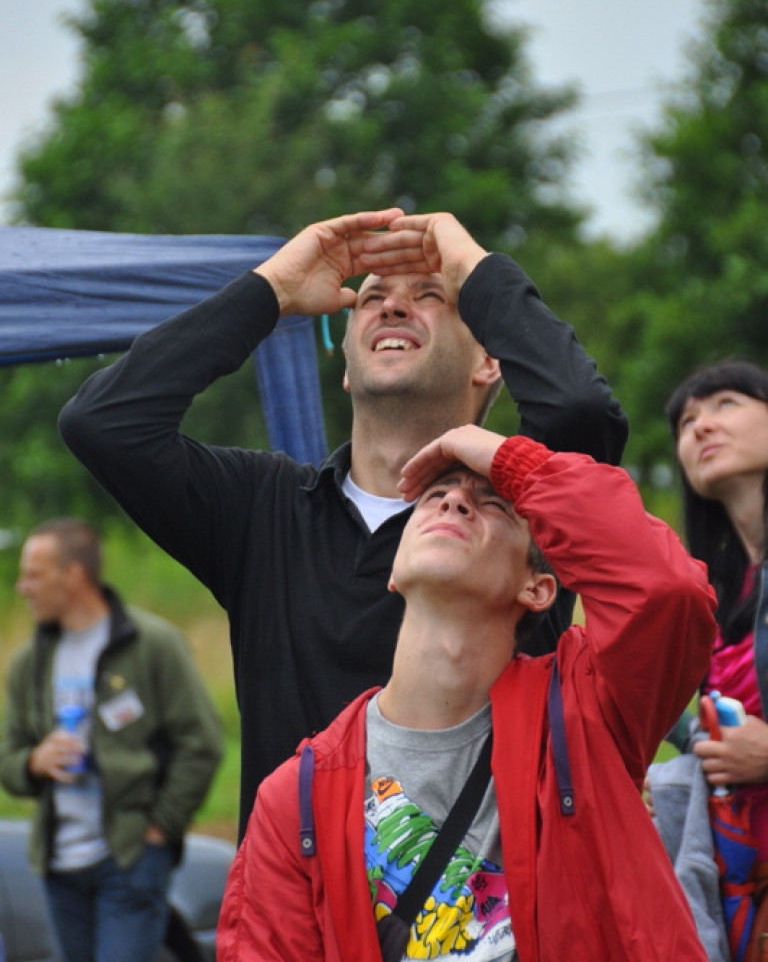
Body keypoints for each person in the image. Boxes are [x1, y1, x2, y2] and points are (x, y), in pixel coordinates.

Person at [58, 208, 628, 837]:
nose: (391, 307)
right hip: (294, 916)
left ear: (488, 363)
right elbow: (104, 424)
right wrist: (270, 291)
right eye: (372, 298)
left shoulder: (516, 520)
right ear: (349, 368)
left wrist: (475, 269)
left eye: (431, 295)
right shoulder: (262, 508)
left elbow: (580, 409)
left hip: (482, 923)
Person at [216, 422, 716, 961]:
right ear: (395, 568)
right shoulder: (296, 800)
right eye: (435, 496)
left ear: (538, 588)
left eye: (493, 504)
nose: (455, 501)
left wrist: (511, 462)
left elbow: (667, 591)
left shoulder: (584, 712)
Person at [0, 517, 223, 962]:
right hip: (58, 867)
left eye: (34, 575)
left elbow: (201, 743)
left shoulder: (152, 644)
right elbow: (7, 756)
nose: (23, 587)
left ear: (73, 575)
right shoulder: (30, 660)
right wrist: (32, 762)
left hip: (130, 858)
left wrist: (160, 826)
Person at [660, 359, 768, 948]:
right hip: (735, 897)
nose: (700, 426)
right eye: (686, 421)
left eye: (727, 403)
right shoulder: (710, 600)